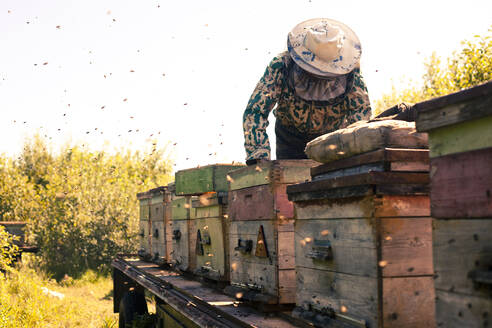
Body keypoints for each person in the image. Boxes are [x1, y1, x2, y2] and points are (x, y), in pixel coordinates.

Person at [242, 18, 372, 164]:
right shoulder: (282, 66)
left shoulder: (351, 75)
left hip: (331, 142)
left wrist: (358, 156)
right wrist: (258, 154)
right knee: (288, 182)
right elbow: (256, 110)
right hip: (289, 139)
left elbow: (360, 116)